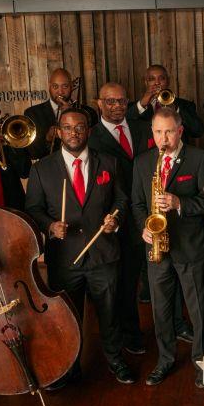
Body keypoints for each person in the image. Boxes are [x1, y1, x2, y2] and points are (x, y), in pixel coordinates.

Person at [24, 107, 135, 386]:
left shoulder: (109, 162)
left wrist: (115, 219)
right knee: (69, 318)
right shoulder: (41, 169)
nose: (74, 133)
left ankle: (114, 359)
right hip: (64, 258)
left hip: (103, 253)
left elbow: (122, 201)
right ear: (59, 131)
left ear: (89, 130)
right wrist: (50, 225)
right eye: (68, 128)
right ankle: (70, 366)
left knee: (109, 313)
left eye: (80, 127)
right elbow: (33, 209)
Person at [131, 108, 204, 387]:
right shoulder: (143, 162)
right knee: (161, 311)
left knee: (199, 310)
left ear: (179, 130)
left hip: (190, 247)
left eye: (168, 131)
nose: (163, 138)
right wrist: (145, 225)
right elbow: (137, 203)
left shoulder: (199, 158)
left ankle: (203, 365)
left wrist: (180, 203)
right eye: (157, 132)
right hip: (157, 248)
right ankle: (165, 359)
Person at [89, 82, 153, 356]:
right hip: (115, 219)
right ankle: (130, 333)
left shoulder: (141, 127)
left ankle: (173, 324)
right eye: (110, 101)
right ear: (99, 104)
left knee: (155, 274)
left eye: (122, 101)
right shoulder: (91, 138)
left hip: (148, 212)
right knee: (124, 282)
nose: (117, 106)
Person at [23, 68, 99, 160]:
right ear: (49, 87)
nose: (60, 92)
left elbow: (95, 147)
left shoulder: (89, 113)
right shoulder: (33, 113)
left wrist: (72, 113)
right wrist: (48, 138)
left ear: (71, 87)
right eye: (55, 87)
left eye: (65, 86)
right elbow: (33, 154)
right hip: (49, 169)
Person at [128, 64, 204, 142]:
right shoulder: (134, 106)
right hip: (147, 153)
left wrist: (176, 109)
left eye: (161, 78)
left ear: (168, 81)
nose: (157, 83)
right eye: (152, 79)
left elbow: (197, 132)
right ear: (146, 82)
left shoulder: (185, 105)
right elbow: (125, 124)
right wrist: (141, 105)